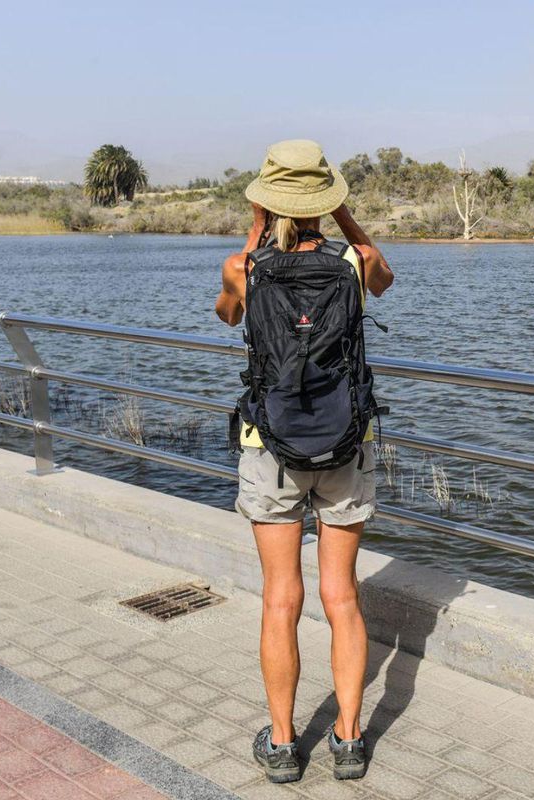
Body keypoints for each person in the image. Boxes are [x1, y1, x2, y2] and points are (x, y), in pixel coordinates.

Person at [214, 139, 393, 783]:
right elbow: (384, 274)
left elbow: (228, 313)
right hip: (345, 441)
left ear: (266, 199)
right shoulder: (356, 261)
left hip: (271, 446)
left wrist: (255, 231)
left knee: (279, 600)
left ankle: (285, 744)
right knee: (341, 597)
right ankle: (348, 741)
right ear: (328, 200)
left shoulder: (244, 267)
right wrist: (345, 218)